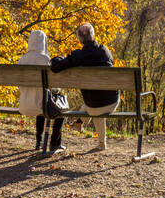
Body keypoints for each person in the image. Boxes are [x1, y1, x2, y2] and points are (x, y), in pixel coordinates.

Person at [50, 22, 119, 151]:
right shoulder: (105, 51)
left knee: (93, 103)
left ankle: (80, 122)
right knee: (99, 98)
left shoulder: (79, 56)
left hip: (93, 106)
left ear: (80, 39)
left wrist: (56, 59)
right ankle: (94, 137)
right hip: (112, 102)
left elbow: (55, 67)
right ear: (93, 35)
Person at [17, 29, 65, 156]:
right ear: (44, 43)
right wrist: (57, 91)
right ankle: (54, 143)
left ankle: (38, 141)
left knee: (40, 98)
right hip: (41, 106)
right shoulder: (45, 59)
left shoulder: (22, 60)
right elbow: (53, 86)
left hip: (24, 105)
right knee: (59, 106)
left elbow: (18, 85)